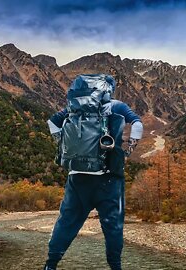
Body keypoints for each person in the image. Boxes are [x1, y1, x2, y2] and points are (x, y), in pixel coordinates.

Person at [43, 74, 143, 270]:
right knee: (112, 228)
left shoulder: (74, 108)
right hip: (109, 180)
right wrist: (131, 147)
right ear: (109, 90)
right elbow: (137, 124)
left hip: (77, 178)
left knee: (66, 224)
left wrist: (61, 144)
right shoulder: (117, 106)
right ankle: (115, 267)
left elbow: (52, 122)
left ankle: (50, 265)